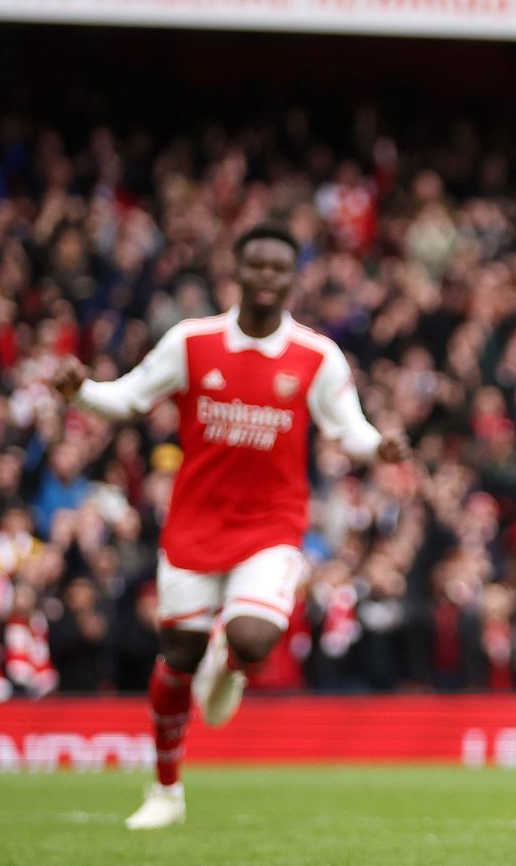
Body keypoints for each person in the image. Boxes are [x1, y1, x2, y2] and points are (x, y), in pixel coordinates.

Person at [53, 225, 407, 830]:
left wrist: (381, 447)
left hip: (272, 526)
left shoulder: (316, 356)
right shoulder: (192, 343)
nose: (267, 277)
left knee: (253, 637)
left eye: (279, 268)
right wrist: (81, 393)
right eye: (256, 266)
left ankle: (230, 655)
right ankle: (165, 791)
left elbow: (348, 427)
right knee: (178, 656)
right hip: (195, 524)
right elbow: (132, 398)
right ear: (237, 272)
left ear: (293, 278)